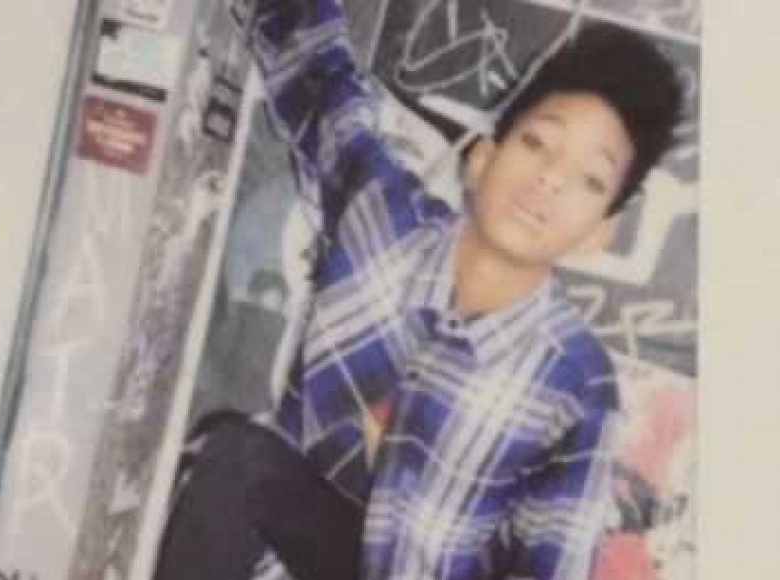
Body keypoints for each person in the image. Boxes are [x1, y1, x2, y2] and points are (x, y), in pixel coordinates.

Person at [153, 0, 683, 578]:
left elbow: (547, 568)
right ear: (482, 158)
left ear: (600, 234)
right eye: (536, 143)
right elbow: (318, 81)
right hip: (283, 549)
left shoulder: (576, 382)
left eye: (590, 179)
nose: (551, 178)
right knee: (236, 458)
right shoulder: (384, 221)